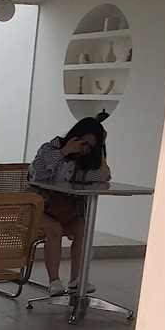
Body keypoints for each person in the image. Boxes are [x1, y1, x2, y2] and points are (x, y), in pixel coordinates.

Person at [26, 117, 111, 296]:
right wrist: (65, 152)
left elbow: (102, 177)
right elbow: (36, 173)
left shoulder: (85, 161)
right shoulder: (49, 149)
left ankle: (76, 279)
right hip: (37, 207)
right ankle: (54, 281)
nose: (85, 149)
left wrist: (101, 148)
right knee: (54, 229)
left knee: (83, 228)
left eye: (90, 147)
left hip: (64, 209)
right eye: (83, 143)